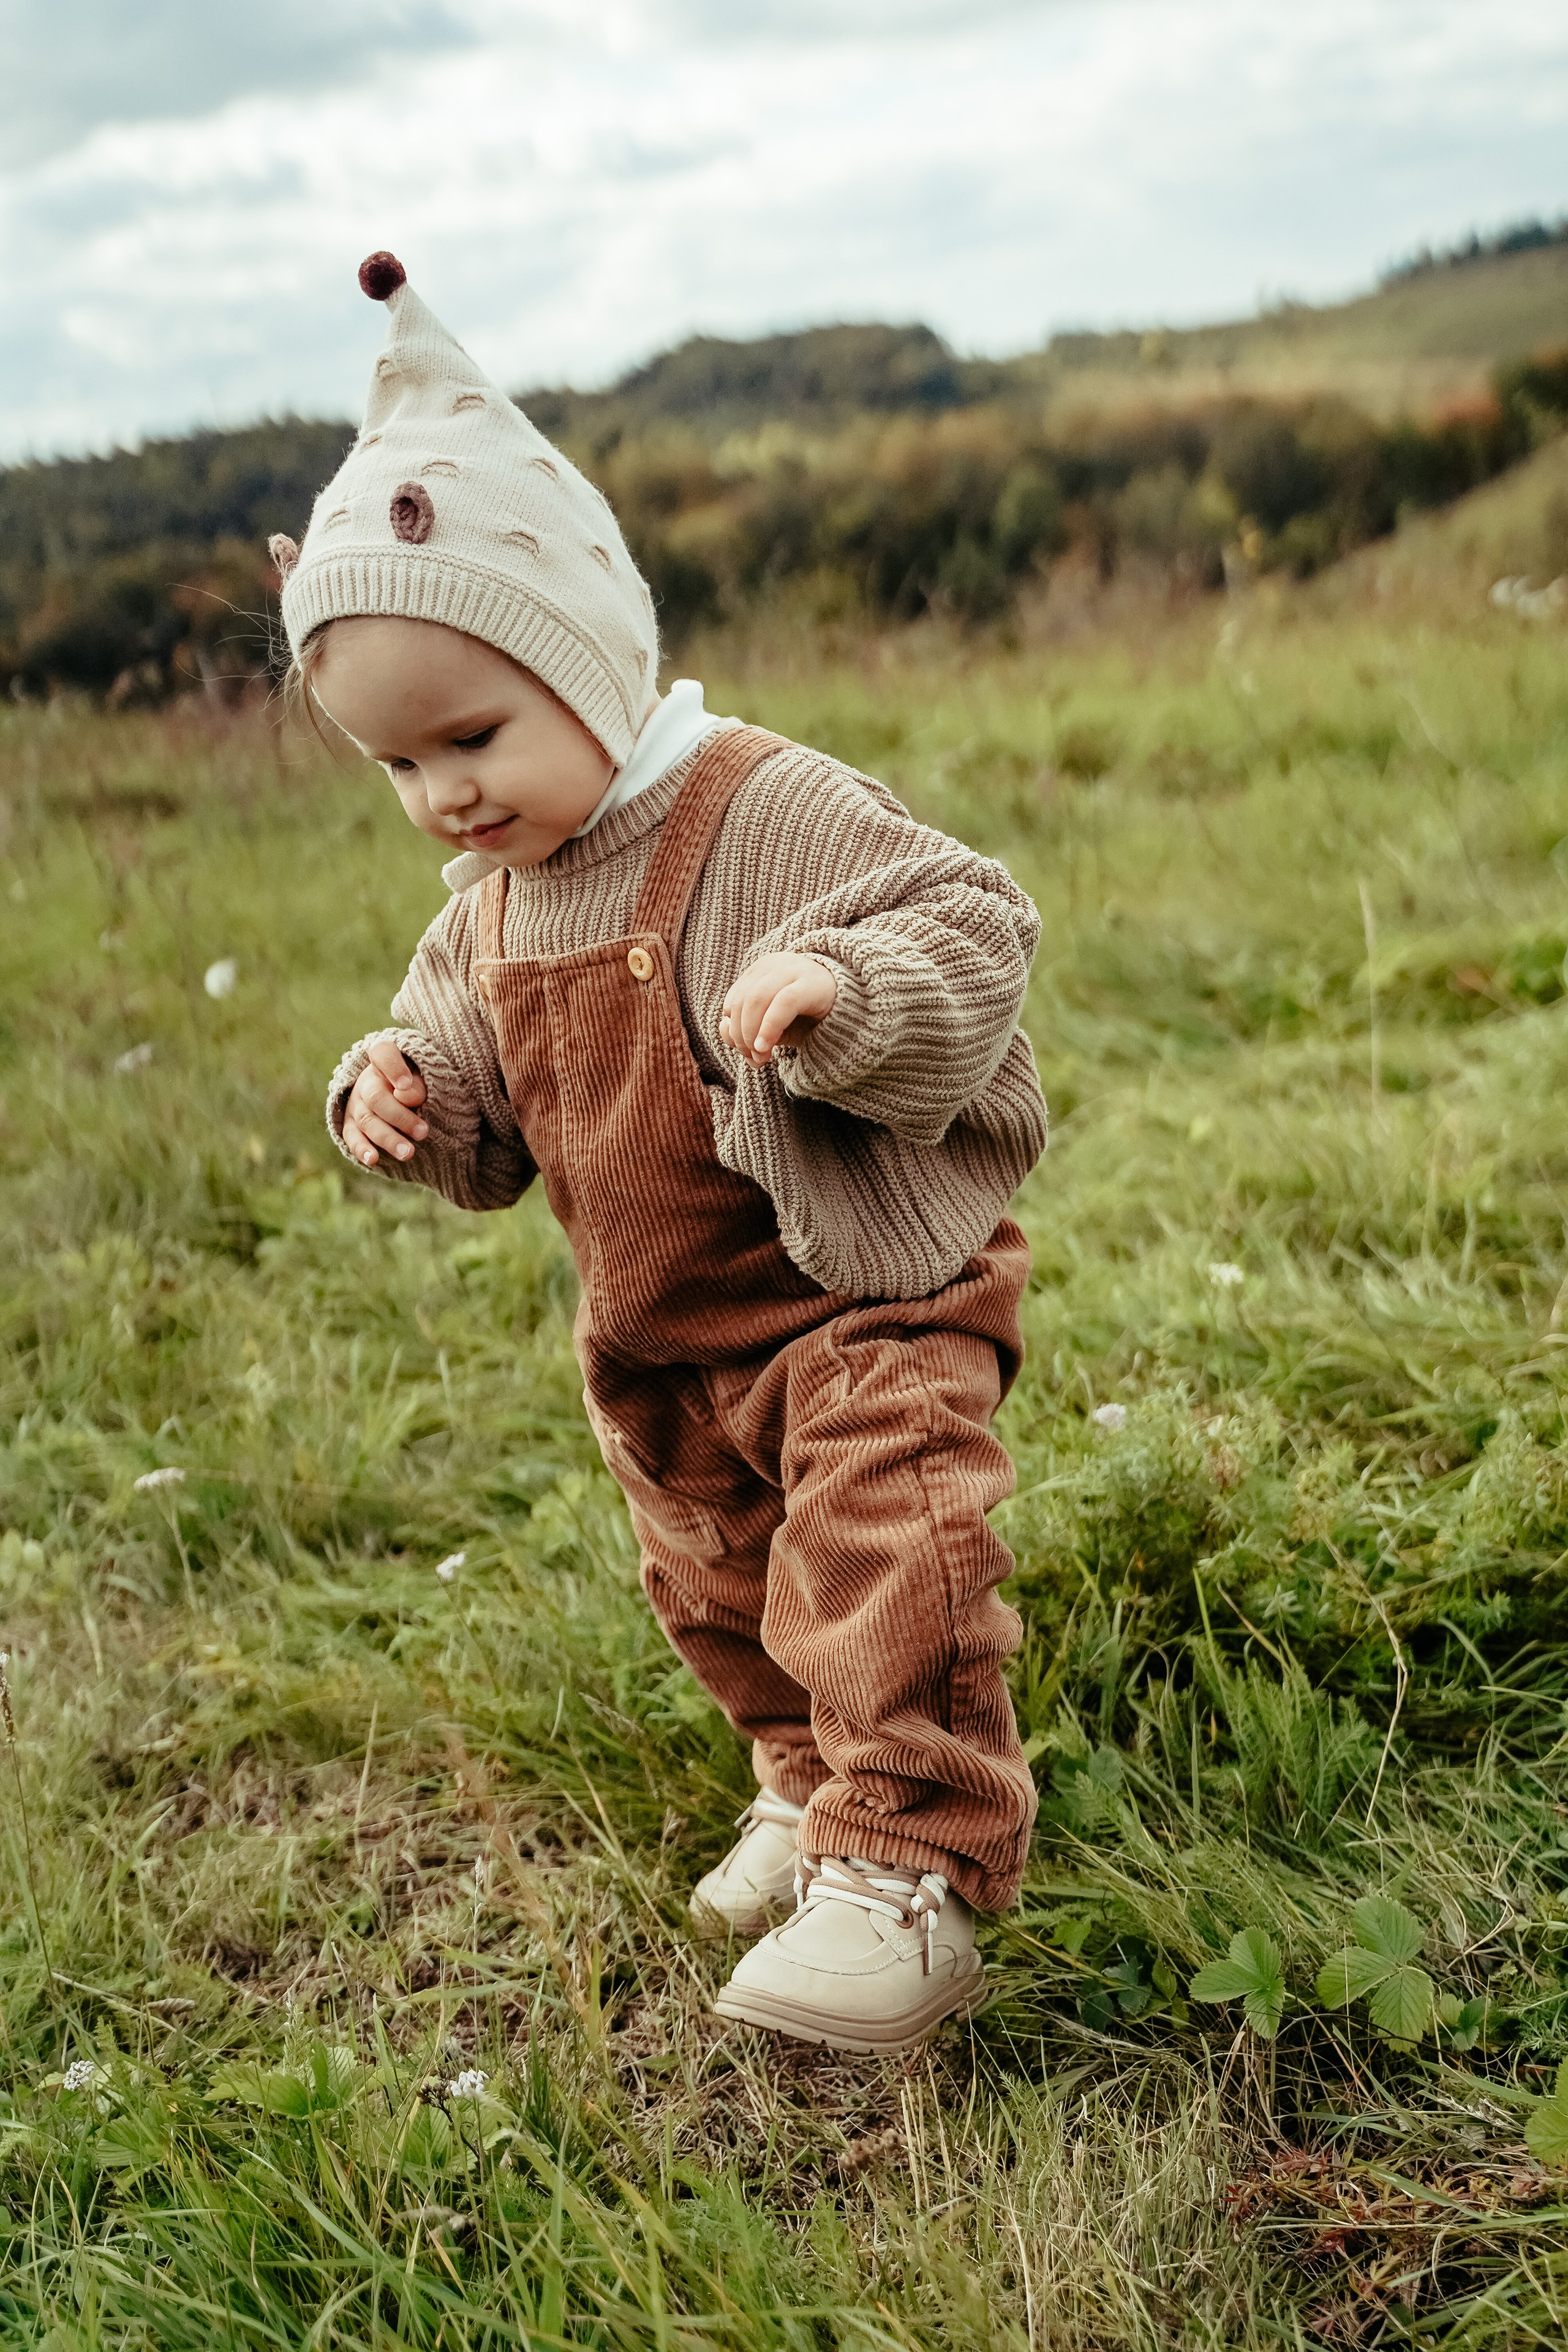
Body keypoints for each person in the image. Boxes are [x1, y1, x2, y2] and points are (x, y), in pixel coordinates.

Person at [279, 253, 1049, 2054]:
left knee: (883, 1551)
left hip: (857, 1285)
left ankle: (910, 1868)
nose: (447, 796)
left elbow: (970, 921)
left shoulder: (759, 803)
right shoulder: (492, 905)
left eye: (474, 737)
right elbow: (472, 1095)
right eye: (399, 767)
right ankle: (803, 1780)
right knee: (722, 1578)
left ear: (588, 659)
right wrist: (401, 1092)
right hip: (669, 1328)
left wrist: (846, 988)